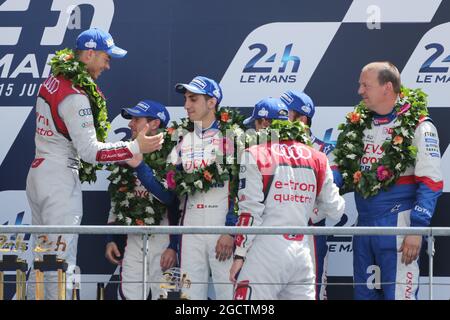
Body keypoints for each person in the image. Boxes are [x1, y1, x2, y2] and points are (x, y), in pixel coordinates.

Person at [26, 28, 163, 300]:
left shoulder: (54, 79)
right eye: (106, 57)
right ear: (89, 54)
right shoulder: (75, 94)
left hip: (40, 173)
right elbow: (89, 151)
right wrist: (135, 147)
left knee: (42, 260)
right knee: (59, 262)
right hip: (58, 179)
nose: (108, 64)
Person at [333, 61, 443, 299]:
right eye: (360, 85)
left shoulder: (419, 126)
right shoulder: (357, 124)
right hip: (364, 225)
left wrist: (417, 230)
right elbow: (337, 168)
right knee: (364, 296)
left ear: (387, 88)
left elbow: (432, 181)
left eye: (366, 85)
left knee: (398, 296)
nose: (359, 91)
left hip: (399, 226)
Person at [230, 97, 345, 300]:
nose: (254, 132)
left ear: (265, 124)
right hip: (302, 252)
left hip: (266, 250)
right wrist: (307, 205)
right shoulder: (318, 157)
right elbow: (336, 209)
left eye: (255, 125)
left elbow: (250, 212)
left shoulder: (254, 154)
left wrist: (239, 254)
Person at [105, 100, 179, 300]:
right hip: (133, 239)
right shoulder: (125, 154)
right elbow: (116, 200)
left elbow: (169, 197)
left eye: (136, 119)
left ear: (154, 124)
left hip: (163, 239)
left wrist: (174, 246)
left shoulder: (172, 154)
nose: (130, 124)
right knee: (128, 296)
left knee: (163, 296)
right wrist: (111, 238)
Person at [171, 76, 237, 300]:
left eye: (193, 99)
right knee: (188, 296)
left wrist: (230, 230)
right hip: (190, 228)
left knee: (228, 294)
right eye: (186, 99)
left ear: (212, 102)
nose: (187, 105)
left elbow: (242, 190)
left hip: (221, 228)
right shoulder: (181, 140)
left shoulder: (233, 138)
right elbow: (172, 191)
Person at [280, 90, 336, 300]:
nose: (278, 117)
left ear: (302, 119)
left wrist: (302, 214)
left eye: (285, 113)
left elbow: (329, 193)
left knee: (311, 294)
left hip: (310, 233)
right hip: (274, 233)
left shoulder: (326, 151)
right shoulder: (270, 148)